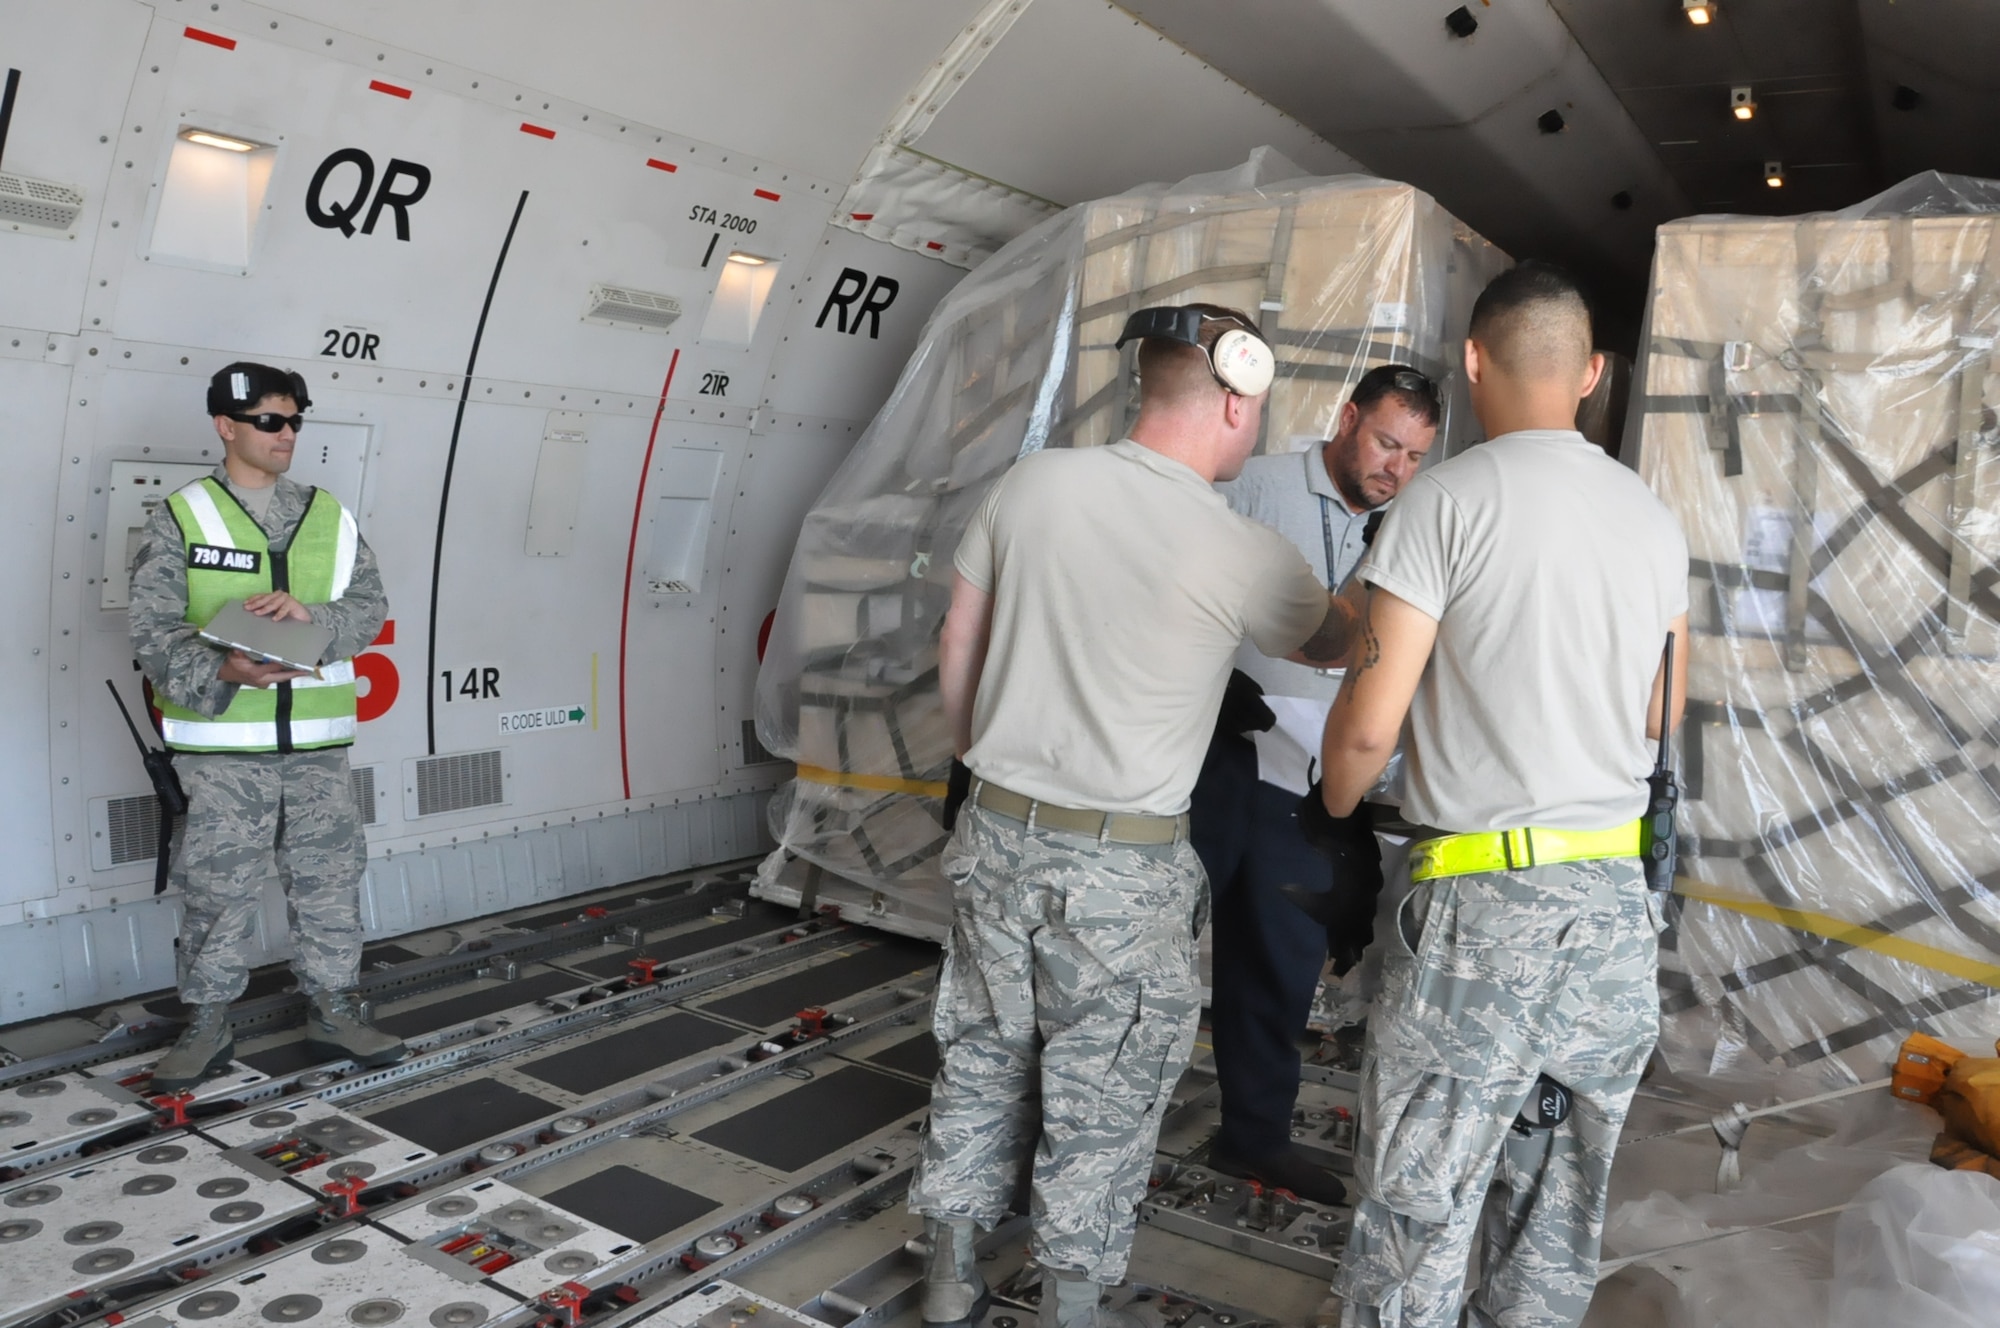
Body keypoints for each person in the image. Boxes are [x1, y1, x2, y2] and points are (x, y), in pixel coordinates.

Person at [908, 304, 1359, 1328]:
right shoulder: (1241, 547)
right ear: (1237, 401)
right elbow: (1339, 644)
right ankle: (1069, 1302)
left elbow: (957, 649)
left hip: (996, 828)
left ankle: (946, 1272)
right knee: (1100, 1094)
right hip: (1125, 864)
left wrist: (987, 764)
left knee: (980, 1052)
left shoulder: (1028, 485)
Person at [1315, 262, 1689, 1328]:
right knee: (1550, 1214)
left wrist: (1334, 813)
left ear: (1472, 363)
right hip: (1612, 911)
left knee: (1415, 1205)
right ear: (1591, 373)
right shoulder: (1649, 518)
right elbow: (1662, 715)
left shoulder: (1443, 498)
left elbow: (1366, 726)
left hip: (1481, 913)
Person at [1195, 364, 1440, 1203]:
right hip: (1211, 760)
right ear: (1346, 419)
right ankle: (1091, 1118)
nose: (1394, 469)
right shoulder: (1251, 488)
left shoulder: (1409, 529)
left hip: (1310, 784)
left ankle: (1252, 1136)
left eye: (1412, 457)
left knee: (1282, 958)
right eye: (1384, 443)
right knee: (1145, 945)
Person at [132, 362, 407, 1091]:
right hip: (223, 754)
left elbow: (369, 608)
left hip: (318, 748)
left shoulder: (329, 514)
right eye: (270, 422)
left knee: (329, 880)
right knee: (218, 888)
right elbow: (152, 633)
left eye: (294, 422)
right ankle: (208, 1023)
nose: (287, 435)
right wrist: (227, 672)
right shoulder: (182, 516)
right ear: (227, 427)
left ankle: (335, 1007)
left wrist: (311, 616)